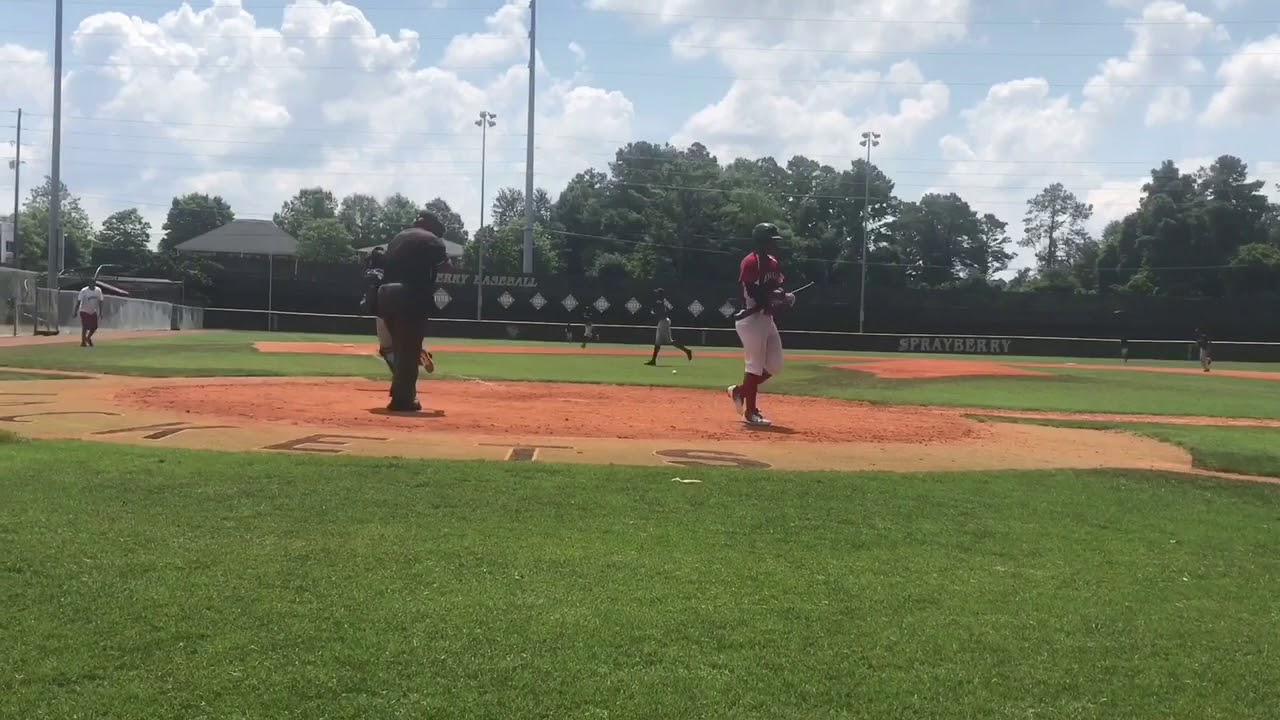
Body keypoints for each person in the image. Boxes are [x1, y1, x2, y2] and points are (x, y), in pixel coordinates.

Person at [376, 211, 449, 412]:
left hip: (386, 295)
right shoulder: (433, 241)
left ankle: (399, 390)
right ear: (432, 227)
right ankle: (403, 400)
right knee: (409, 349)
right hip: (410, 294)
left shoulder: (398, 238)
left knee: (399, 348)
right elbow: (445, 268)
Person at [727, 223, 793, 427]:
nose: (775, 245)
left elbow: (776, 286)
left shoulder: (773, 262)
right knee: (754, 366)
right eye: (772, 241)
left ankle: (740, 391)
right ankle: (751, 412)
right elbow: (750, 291)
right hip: (750, 318)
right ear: (761, 242)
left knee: (775, 365)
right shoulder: (750, 262)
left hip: (766, 318)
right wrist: (772, 297)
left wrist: (784, 296)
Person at [362, 247, 433, 379]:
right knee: (408, 339)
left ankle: (401, 377)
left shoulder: (373, 273)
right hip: (406, 309)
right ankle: (419, 350)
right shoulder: (399, 271)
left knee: (387, 349)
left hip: (384, 311)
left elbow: (371, 290)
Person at [644, 288, 693, 365]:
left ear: (660, 294)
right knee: (657, 342)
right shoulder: (661, 301)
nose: (656, 294)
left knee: (669, 341)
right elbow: (668, 309)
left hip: (664, 321)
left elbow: (665, 310)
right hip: (662, 321)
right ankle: (653, 361)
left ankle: (687, 351)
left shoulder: (661, 301)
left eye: (657, 293)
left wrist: (659, 312)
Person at [75, 279, 105, 348]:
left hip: (93, 311)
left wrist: (100, 312)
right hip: (84, 310)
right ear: (88, 283)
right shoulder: (84, 291)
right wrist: (75, 312)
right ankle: (83, 342)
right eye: (91, 283)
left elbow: (101, 301)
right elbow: (79, 301)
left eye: (93, 283)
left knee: (94, 327)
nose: (92, 284)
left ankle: (88, 338)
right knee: (85, 326)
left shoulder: (98, 290)